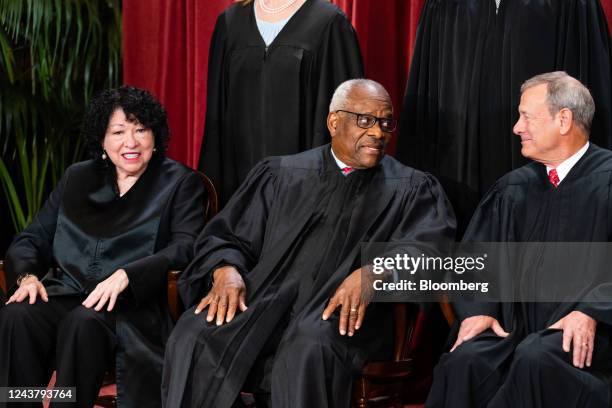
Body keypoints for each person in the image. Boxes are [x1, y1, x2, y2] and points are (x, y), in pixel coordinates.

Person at [162, 79, 456, 408]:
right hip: (263, 301)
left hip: (347, 317)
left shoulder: (412, 188)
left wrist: (376, 271)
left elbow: (430, 250)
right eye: (365, 120)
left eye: (385, 122)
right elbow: (226, 235)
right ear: (334, 122)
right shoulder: (281, 174)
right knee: (195, 333)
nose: (377, 132)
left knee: (308, 344)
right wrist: (225, 269)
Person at [0, 86, 206, 408]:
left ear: (156, 135)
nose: (131, 143)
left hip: (130, 306)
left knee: (82, 323)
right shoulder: (77, 178)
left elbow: (186, 246)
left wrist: (129, 275)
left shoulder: (181, 182)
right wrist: (27, 277)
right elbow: (32, 238)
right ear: (102, 139)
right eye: (119, 132)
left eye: (141, 130)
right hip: (68, 291)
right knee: (18, 315)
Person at [426, 72, 612, 407]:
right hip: (516, 329)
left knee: (536, 357)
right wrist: (479, 309)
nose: (516, 128)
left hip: (594, 333)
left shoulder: (608, 181)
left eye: (526, 116)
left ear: (564, 119)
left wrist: (592, 310)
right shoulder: (513, 189)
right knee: (465, 362)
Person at [396, 0, 612, 237]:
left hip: (559, 206)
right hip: (457, 187)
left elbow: (592, 98)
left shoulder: (574, 6)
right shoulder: (444, 7)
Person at [200, 0, 364, 207]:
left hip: (308, 198)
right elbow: (216, 122)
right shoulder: (230, 23)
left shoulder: (329, 23)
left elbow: (347, 124)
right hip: (239, 199)